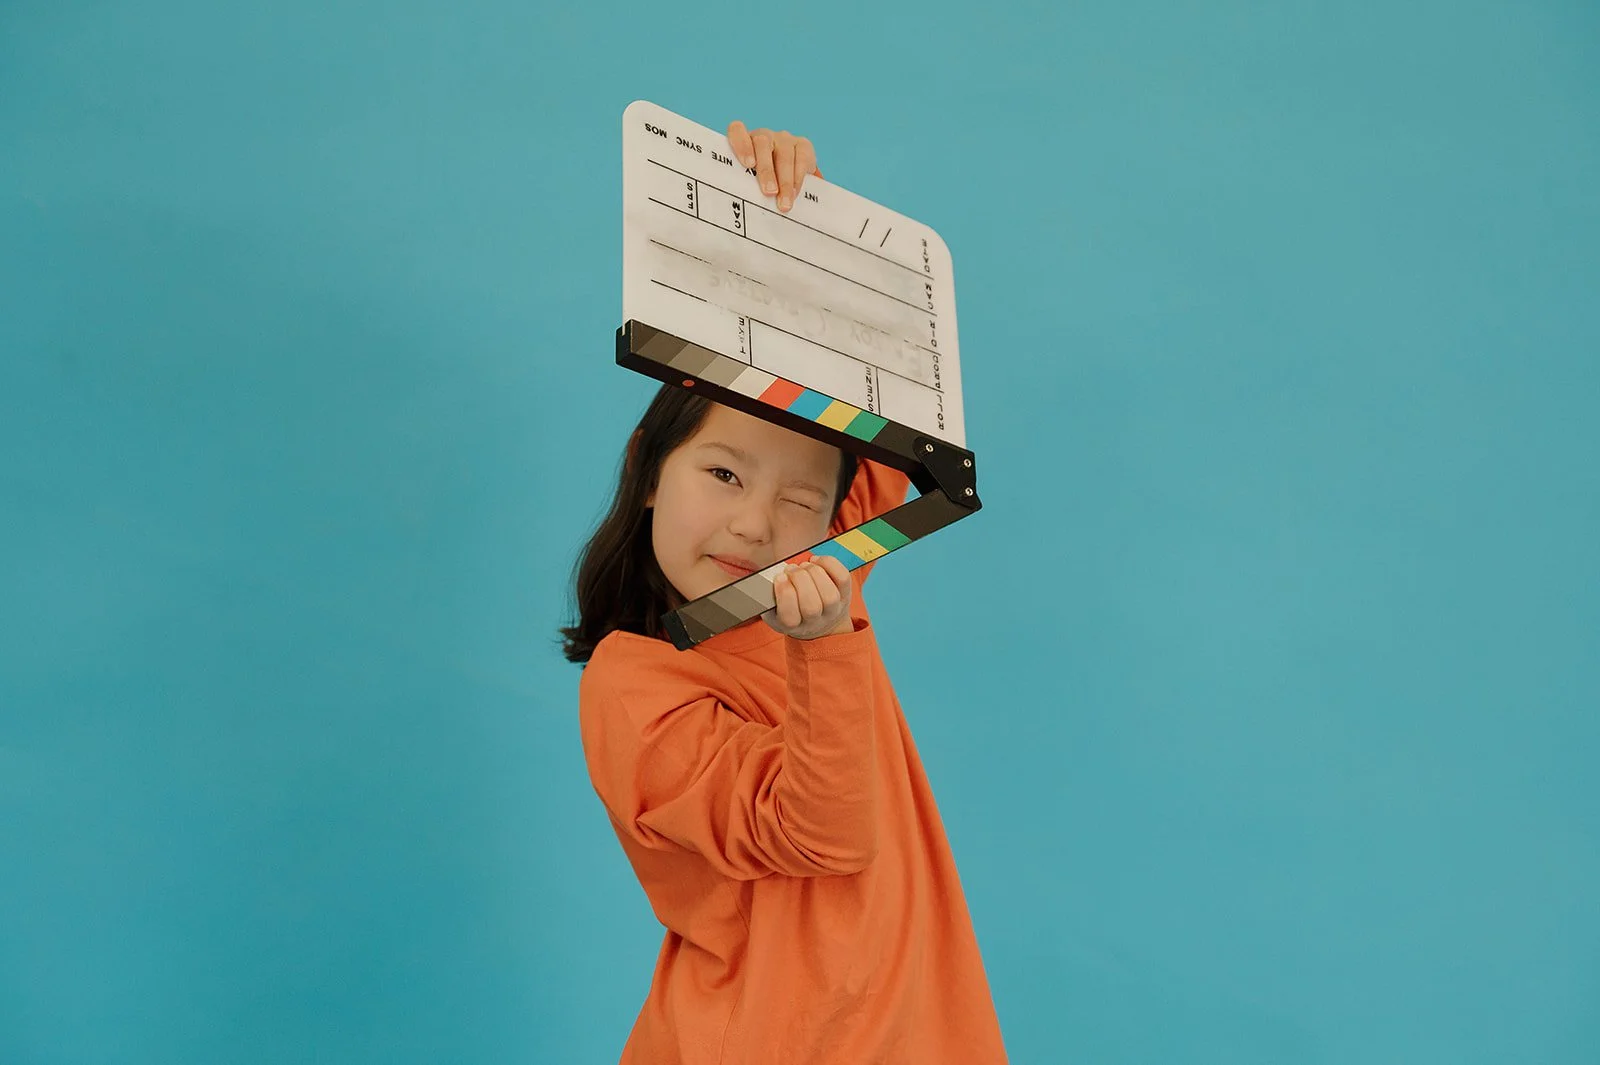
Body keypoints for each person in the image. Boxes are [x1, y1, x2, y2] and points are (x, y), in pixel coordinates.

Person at [561, 120, 1008, 1065]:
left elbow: (896, 422)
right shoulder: (634, 681)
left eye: (801, 501)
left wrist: (785, 230)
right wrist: (824, 648)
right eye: (722, 475)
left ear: (833, 518)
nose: (758, 525)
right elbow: (816, 833)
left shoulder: (817, 570)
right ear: (651, 470)